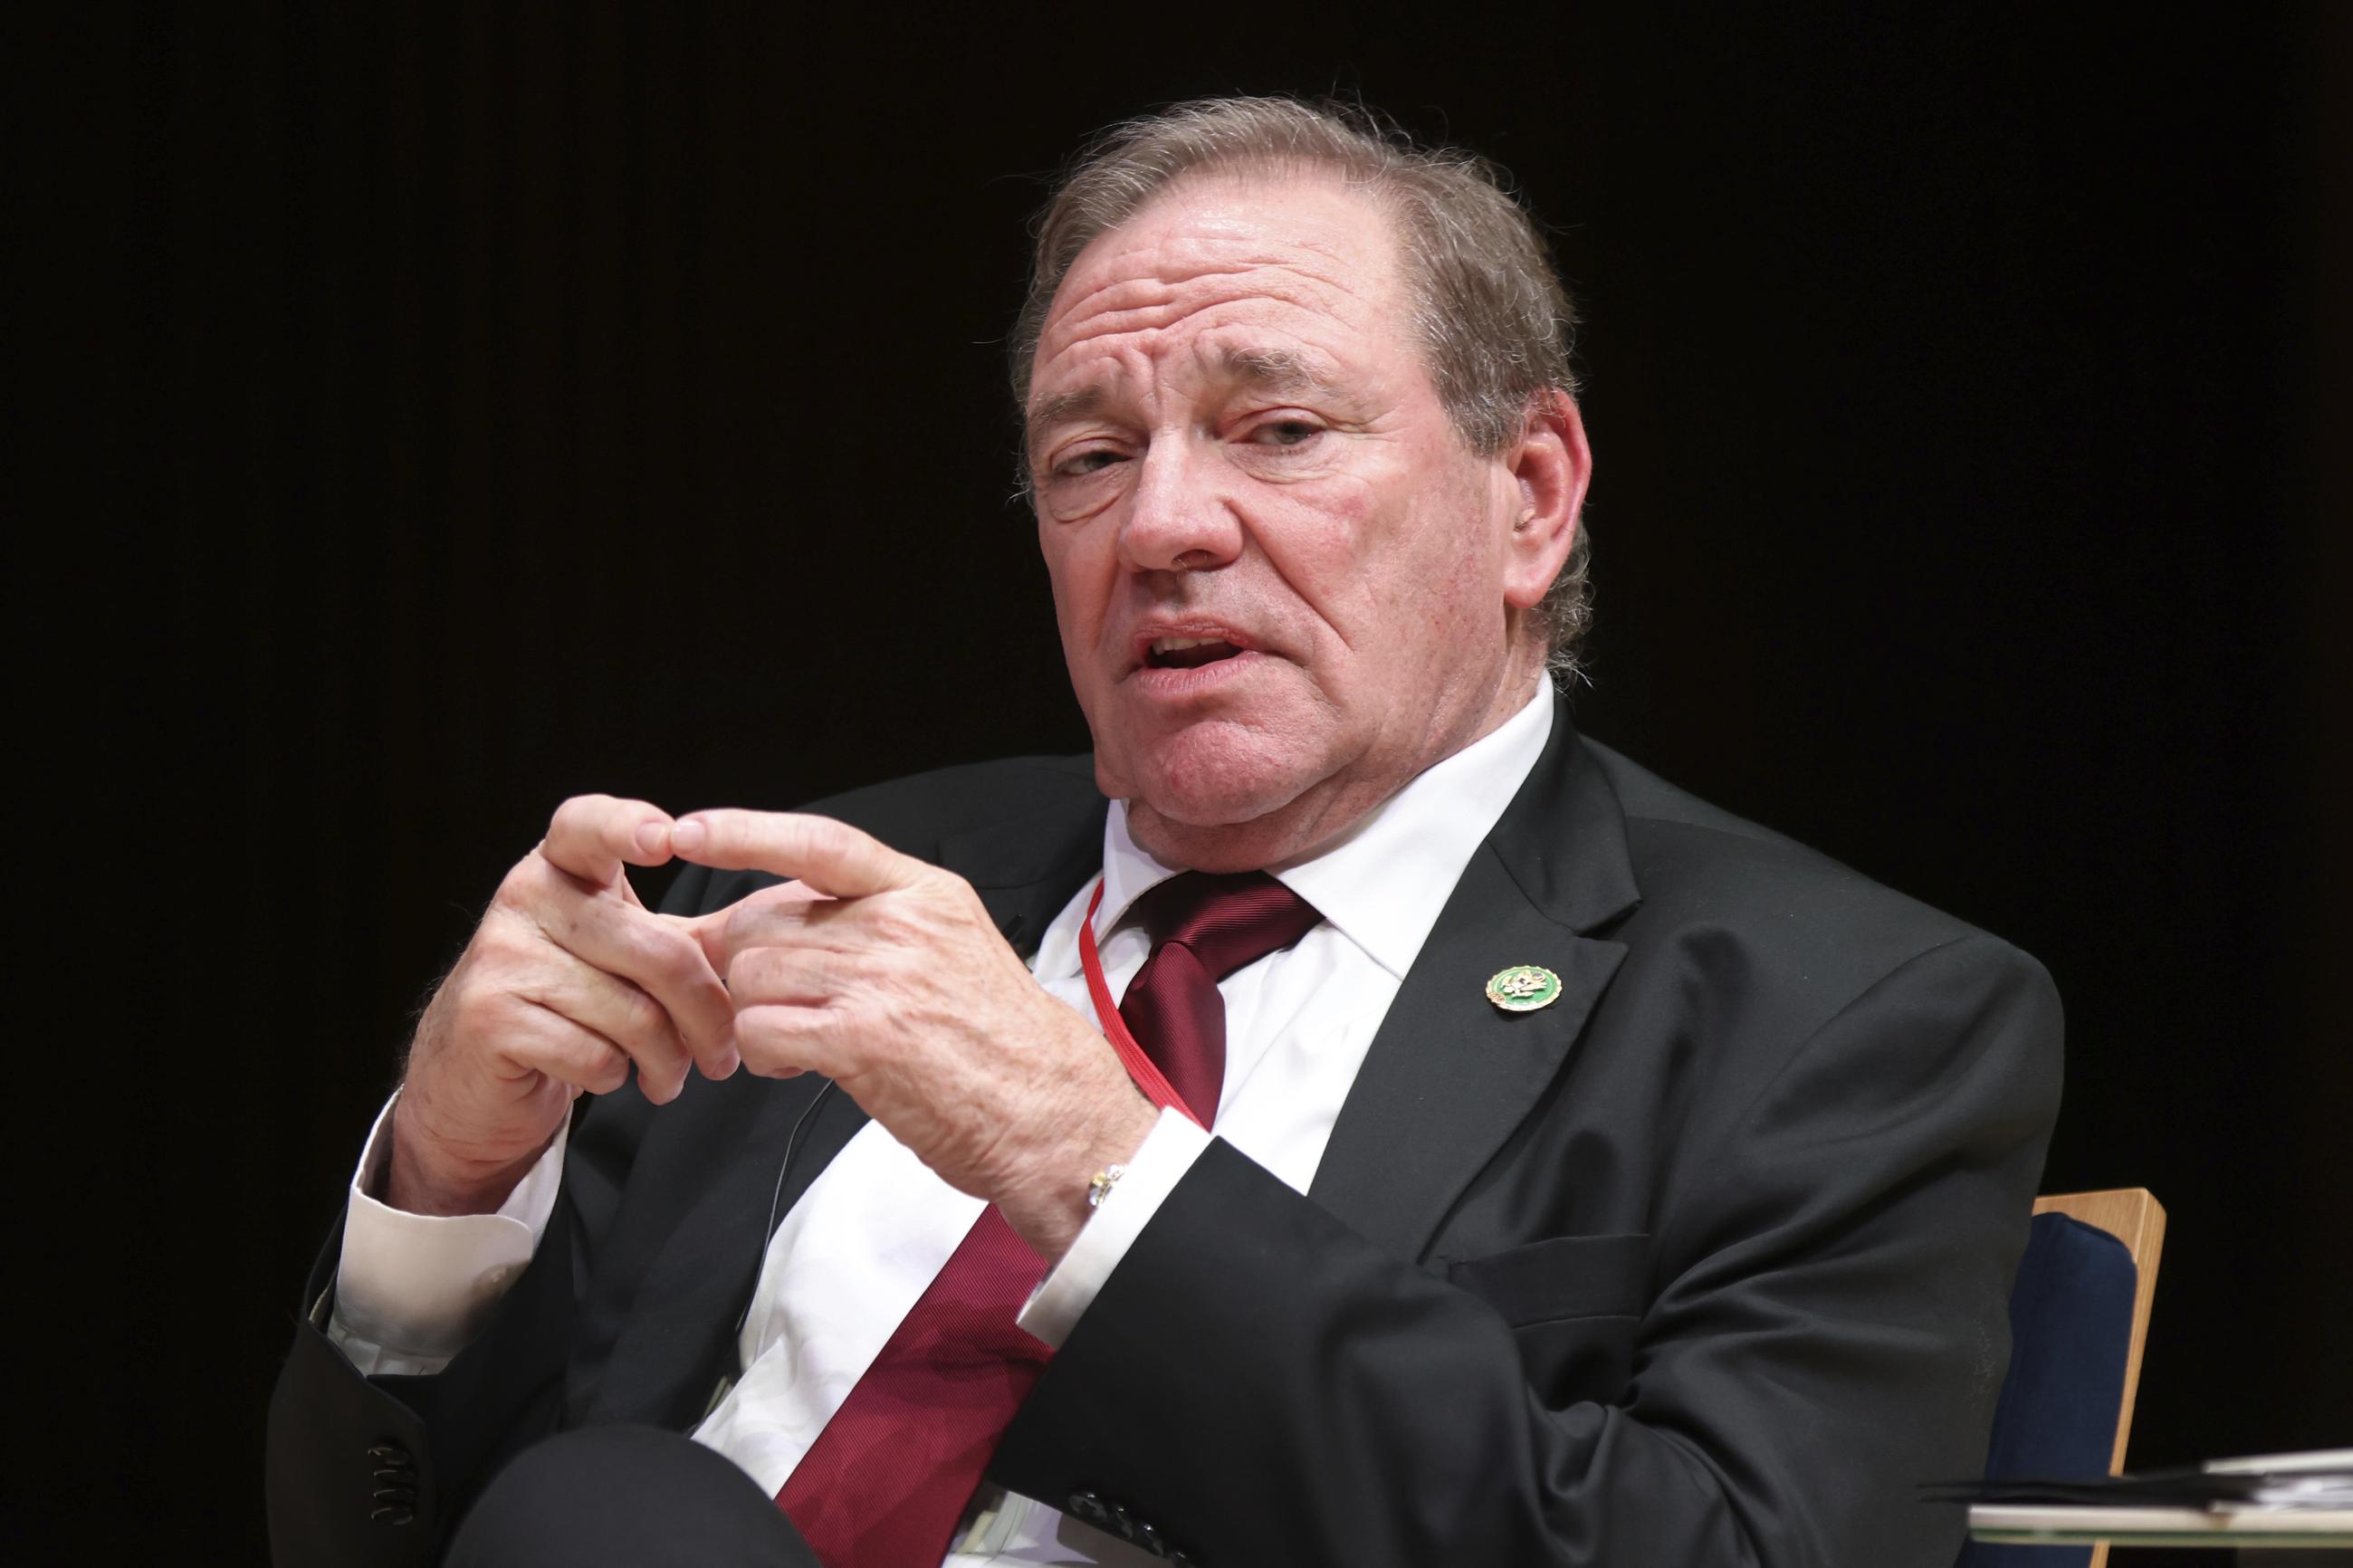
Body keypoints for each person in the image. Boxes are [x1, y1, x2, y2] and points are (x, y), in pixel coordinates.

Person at [267, 97, 2061, 1568]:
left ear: (1528, 497)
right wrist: (445, 1184)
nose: (1163, 524)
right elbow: (434, 1535)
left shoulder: (1845, 1013)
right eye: (1084, 458)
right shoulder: (806, 896)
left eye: (1274, 428)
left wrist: (1103, 1173)